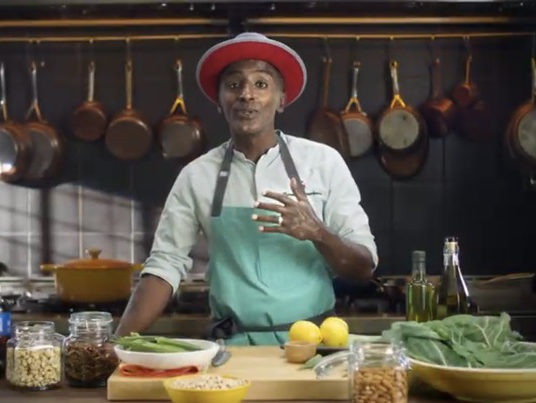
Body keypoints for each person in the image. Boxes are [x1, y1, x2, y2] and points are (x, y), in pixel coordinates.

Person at [114, 32, 379, 346]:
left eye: (261, 84)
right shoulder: (196, 176)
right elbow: (164, 266)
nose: (247, 95)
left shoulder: (323, 162)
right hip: (232, 349)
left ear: (282, 100)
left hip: (315, 346)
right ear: (219, 100)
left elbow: (364, 267)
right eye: (234, 84)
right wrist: (115, 342)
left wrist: (317, 232)